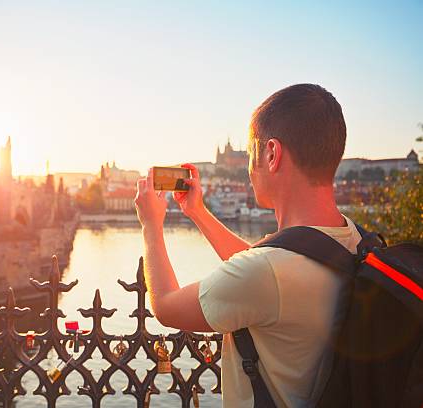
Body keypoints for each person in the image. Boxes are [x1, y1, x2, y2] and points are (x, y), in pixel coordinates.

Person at [134, 84, 361, 407]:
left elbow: (167, 306)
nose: (248, 167)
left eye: (251, 153)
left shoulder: (268, 273)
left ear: (272, 154)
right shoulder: (354, 239)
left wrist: (151, 225)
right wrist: (197, 212)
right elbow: (266, 271)